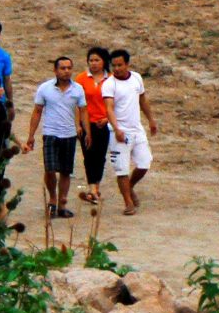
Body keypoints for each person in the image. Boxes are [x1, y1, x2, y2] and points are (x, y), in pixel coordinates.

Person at [24, 55, 87, 220]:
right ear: (55, 70)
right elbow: (37, 111)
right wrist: (31, 135)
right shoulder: (45, 88)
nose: (66, 71)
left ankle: (62, 204)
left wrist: (87, 132)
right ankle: (53, 198)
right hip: (50, 133)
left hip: (69, 134)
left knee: (66, 171)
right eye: (63, 68)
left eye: (69, 68)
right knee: (50, 169)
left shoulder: (78, 89)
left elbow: (83, 111)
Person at [100, 49, 156, 216]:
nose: (117, 69)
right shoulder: (109, 84)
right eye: (114, 65)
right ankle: (128, 202)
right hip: (119, 131)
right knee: (121, 168)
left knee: (145, 163)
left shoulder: (137, 78)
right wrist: (116, 128)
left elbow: (142, 100)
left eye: (120, 65)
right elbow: (109, 108)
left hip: (137, 129)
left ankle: (130, 186)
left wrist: (151, 119)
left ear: (127, 64)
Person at [75, 46, 113, 209]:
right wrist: (78, 124)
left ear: (104, 61)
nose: (94, 63)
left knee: (100, 156)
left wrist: (107, 118)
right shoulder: (81, 79)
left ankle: (95, 187)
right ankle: (92, 188)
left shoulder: (111, 79)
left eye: (97, 60)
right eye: (91, 60)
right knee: (89, 155)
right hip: (87, 123)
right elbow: (76, 104)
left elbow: (116, 102)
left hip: (104, 123)